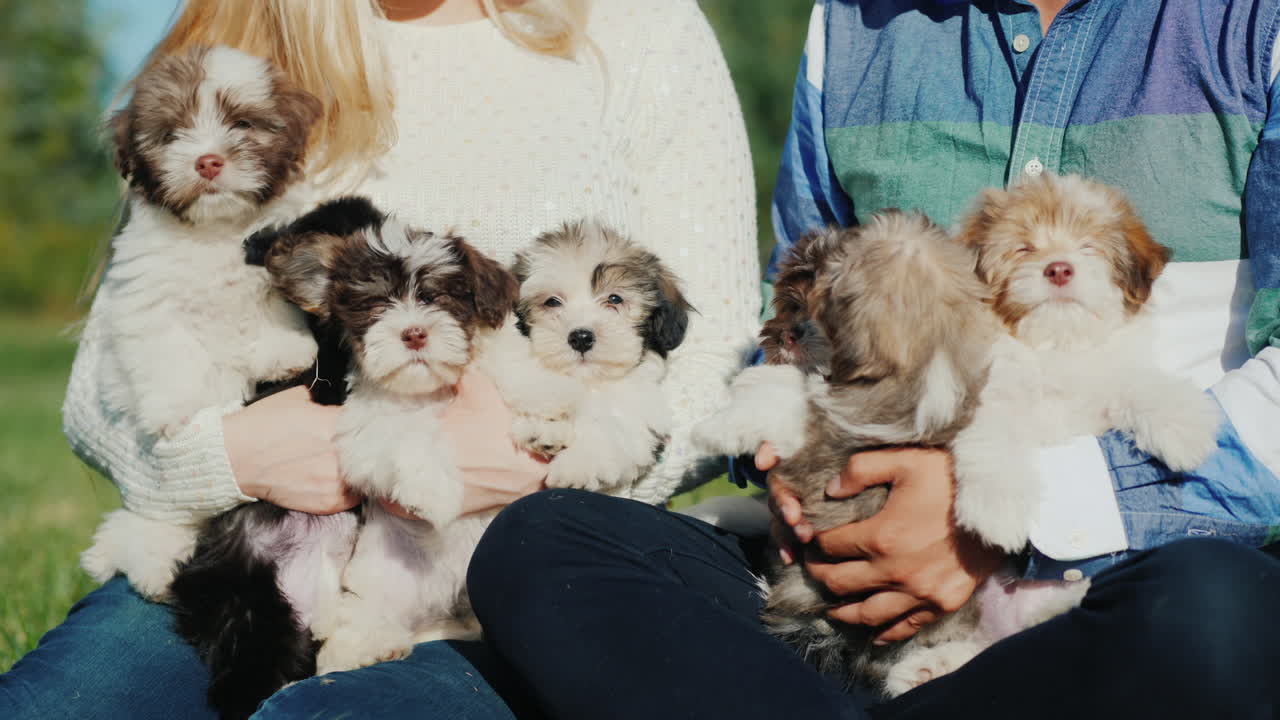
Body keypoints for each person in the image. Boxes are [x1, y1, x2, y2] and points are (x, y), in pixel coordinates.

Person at [468, 0, 1280, 718]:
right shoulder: (855, 22)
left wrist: (1015, 523)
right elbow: (792, 309)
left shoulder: (1250, 20)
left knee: (1216, 614)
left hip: (1119, 581)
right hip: (846, 558)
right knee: (542, 542)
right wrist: (801, 473)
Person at [0, 1, 759, 718]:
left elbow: (717, 359)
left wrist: (540, 471)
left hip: (517, 567)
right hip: (250, 544)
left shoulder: (641, 27)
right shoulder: (242, 36)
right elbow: (98, 389)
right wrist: (226, 459)